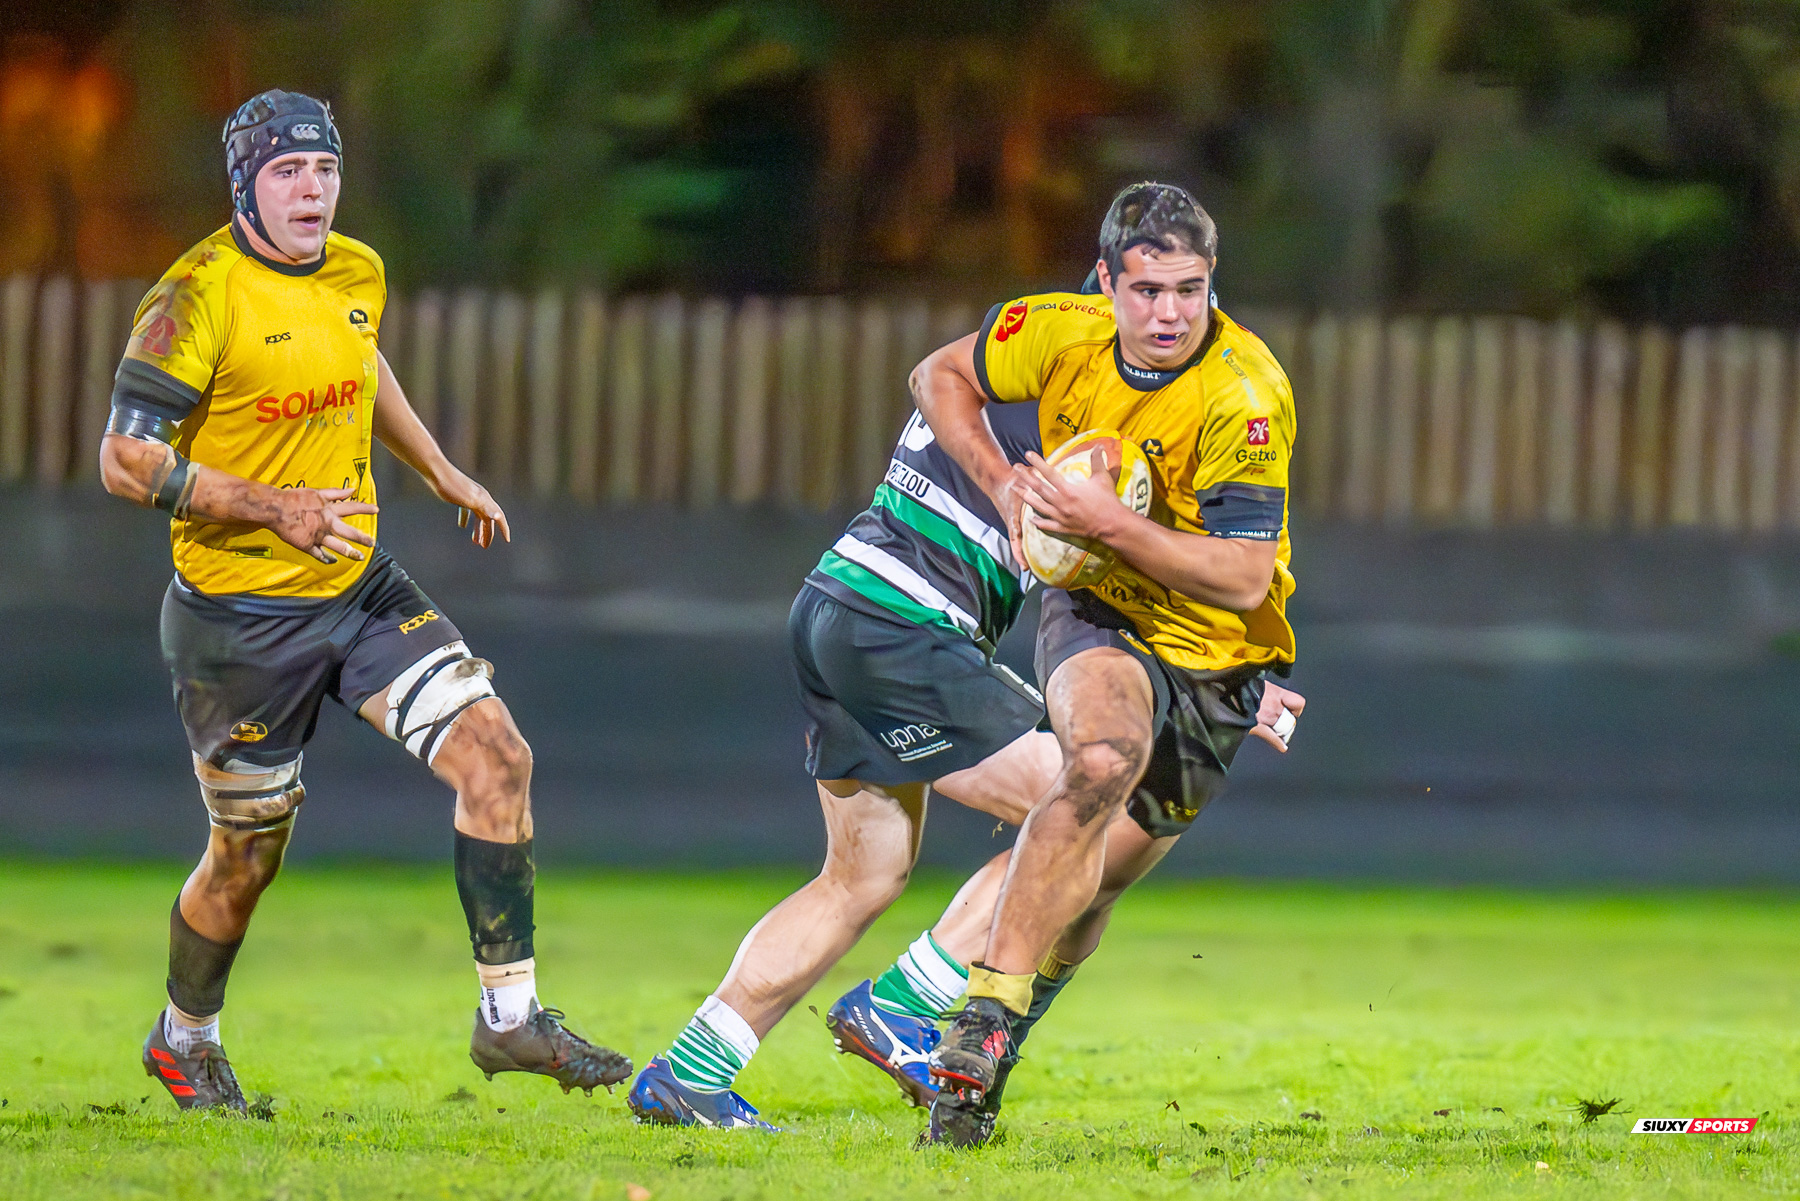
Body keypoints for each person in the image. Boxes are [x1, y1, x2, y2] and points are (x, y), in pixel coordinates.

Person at [101, 89, 629, 1112]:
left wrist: (438, 469)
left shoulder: (357, 268)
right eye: (289, 171)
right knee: (245, 856)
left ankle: (510, 1017)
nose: (314, 190)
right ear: (245, 183)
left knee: (499, 753)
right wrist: (272, 508)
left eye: (327, 169)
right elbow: (126, 460)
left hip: (357, 586)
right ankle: (185, 1037)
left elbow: (358, 357)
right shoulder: (193, 295)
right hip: (237, 623)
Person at [623, 376, 1303, 1128]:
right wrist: (1229, 675)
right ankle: (903, 1004)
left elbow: (940, 385)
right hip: (905, 625)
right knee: (1093, 812)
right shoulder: (1085, 406)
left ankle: (690, 1073)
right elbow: (1106, 561)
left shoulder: (989, 374)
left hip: (833, 602)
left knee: (860, 876)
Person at [910, 181, 1299, 1144]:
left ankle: (985, 1051)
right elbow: (936, 375)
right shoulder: (1058, 330)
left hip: (1219, 660)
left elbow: (1246, 579)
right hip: (1097, 613)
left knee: (1097, 888)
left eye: (1191, 289)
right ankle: (973, 1036)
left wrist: (1108, 523)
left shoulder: (1248, 393)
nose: (1169, 312)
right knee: (1096, 760)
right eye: (1147, 290)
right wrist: (1004, 485)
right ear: (1105, 283)